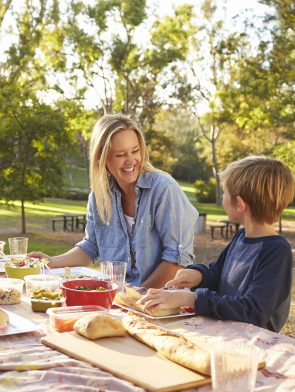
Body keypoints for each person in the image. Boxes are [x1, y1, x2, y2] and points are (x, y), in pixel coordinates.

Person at [29, 114, 198, 288]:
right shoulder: (100, 196)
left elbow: (177, 258)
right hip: (119, 298)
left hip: (162, 301)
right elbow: (91, 246)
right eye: (120, 154)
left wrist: (138, 297)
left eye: (135, 150)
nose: (131, 160)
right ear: (100, 157)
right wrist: (53, 261)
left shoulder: (164, 189)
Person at [138, 156, 294, 332]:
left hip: (254, 343)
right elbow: (218, 274)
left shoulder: (277, 251)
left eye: (225, 193)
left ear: (240, 204)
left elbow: (253, 311)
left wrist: (189, 299)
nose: (223, 198)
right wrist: (199, 275)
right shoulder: (241, 236)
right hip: (225, 331)